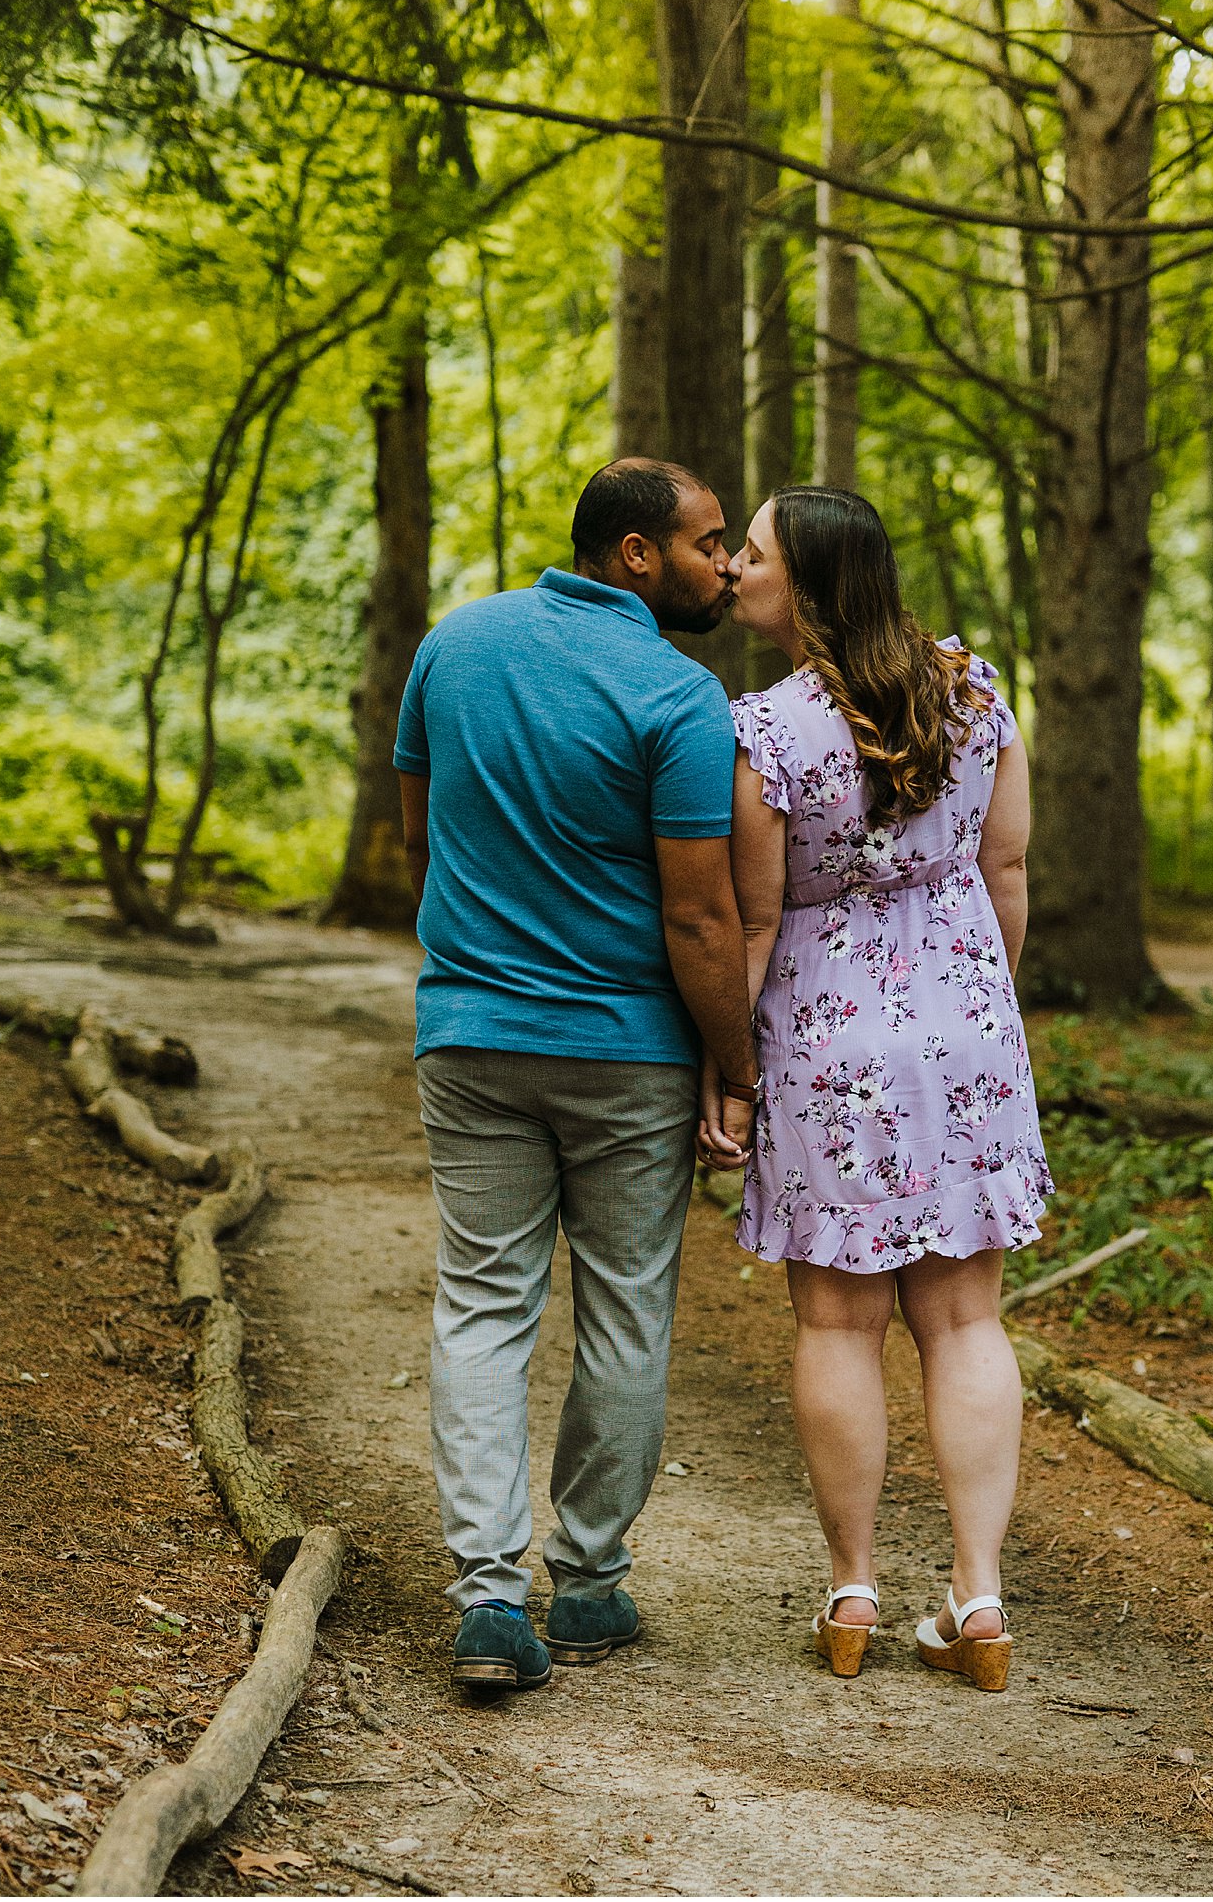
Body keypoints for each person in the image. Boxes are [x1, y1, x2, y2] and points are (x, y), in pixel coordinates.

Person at [395, 458, 758, 1696]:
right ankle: (589, 1583)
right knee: (624, 1306)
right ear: (638, 554)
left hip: (471, 1036)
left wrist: (473, 955)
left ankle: (488, 1599)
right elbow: (703, 921)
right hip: (627, 1057)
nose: (729, 564)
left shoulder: (456, 642)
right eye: (712, 543)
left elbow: (418, 828)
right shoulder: (678, 692)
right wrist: (738, 1068)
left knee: (483, 1304)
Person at [723, 486, 1050, 1688]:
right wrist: (982, 1013)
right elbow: (1005, 865)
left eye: (749, 555)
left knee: (835, 1322)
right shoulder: (973, 687)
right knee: (965, 1320)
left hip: (824, 1042)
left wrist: (732, 1075)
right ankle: (978, 1599)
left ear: (803, 584)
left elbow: (757, 921)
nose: (733, 571)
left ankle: (852, 1588)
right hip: (968, 1027)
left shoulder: (763, 732)